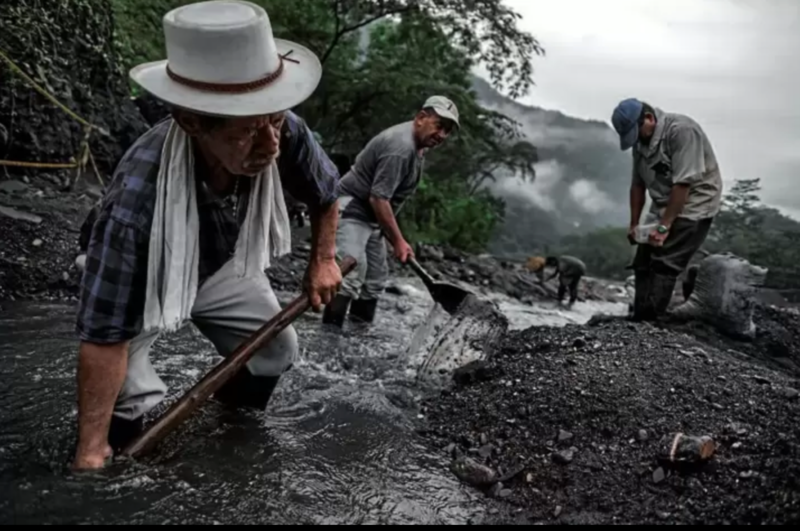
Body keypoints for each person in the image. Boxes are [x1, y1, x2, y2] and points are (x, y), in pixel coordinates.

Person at [72, 0, 342, 470]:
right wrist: (89, 451)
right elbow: (103, 336)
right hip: (145, 268)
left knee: (276, 348)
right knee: (130, 396)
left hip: (217, 256)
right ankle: (118, 459)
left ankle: (227, 434)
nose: (269, 146)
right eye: (247, 131)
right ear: (191, 122)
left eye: (274, 121)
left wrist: (323, 259)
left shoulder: (281, 126)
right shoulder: (134, 205)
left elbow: (326, 192)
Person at [322, 97, 460, 326]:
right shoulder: (400, 147)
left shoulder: (417, 147)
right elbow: (378, 198)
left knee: (374, 281)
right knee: (349, 275)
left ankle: (357, 339)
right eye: (439, 126)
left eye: (447, 131)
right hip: (351, 208)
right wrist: (398, 240)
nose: (442, 135)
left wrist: (392, 235)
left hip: (372, 219)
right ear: (421, 118)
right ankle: (328, 341)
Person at [612, 98, 723, 321]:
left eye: (638, 132)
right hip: (664, 199)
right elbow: (638, 184)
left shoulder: (682, 131)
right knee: (643, 258)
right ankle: (638, 318)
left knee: (665, 261)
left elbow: (683, 183)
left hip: (695, 201)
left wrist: (664, 227)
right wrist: (634, 224)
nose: (637, 140)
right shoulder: (640, 143)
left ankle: (651, 323)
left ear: (649, 118)